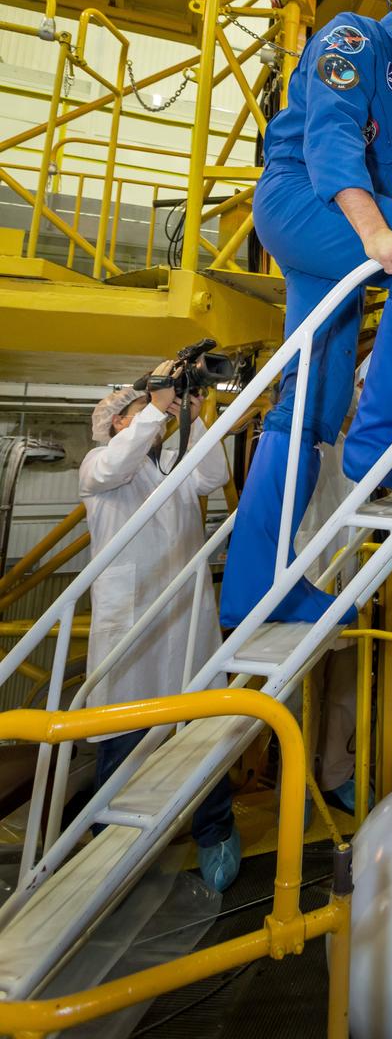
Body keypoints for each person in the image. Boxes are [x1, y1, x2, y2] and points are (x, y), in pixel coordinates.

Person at [221, 0, 392, 630]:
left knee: (309, 407)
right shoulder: (353, 38)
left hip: (341, 225)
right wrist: (372, 232)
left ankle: (257, 589)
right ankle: (378, 445)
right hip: (303, 200)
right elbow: (331, 133)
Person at [80, 366, 240, 892]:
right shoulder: (99, 465)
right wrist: (155, 404)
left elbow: (212, 476)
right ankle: (111, 852)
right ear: (113, 423)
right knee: (125, 741)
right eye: (130, 410)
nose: (144, 416)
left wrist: (194, 417)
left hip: (185, 615)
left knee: (201, 730)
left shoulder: (173, 461)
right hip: (131, 625)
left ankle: (215, 830)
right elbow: (124, 457)